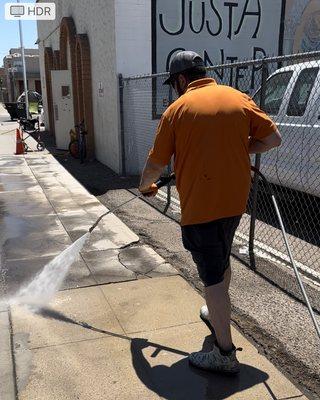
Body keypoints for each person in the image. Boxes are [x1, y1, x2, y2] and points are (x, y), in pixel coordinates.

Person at [139, 51, 281, 374]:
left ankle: (224, 353)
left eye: (174, 84)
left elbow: (154, 166)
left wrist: (144, 186)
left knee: (212, 280)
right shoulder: (237, 98)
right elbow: (273, 138)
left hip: (201, 210)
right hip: (234, 204)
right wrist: (243, 147)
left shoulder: (177, 111)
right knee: (222, 261)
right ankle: (216, 312)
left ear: (180, 80)